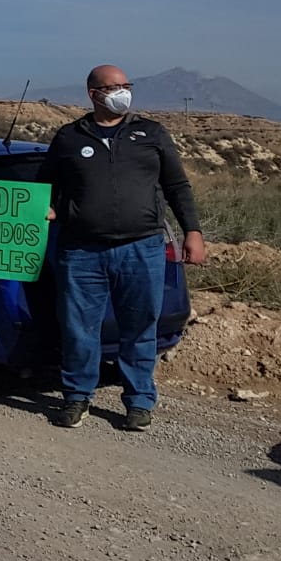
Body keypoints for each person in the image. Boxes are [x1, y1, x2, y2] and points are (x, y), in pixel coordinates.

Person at [40, 65, 207, 432]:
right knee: (79, 328)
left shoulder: (151, 134)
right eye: (114, 86)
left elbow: (178, 186)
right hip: (81, 251)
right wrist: (49, 207)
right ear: (93, 94)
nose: (123, 92)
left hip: (142, 248)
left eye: (126, 85)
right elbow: (44, 187)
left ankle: (138, 401)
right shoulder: (69, 137)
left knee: (139, 327)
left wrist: (192, 231)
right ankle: (76, 398)